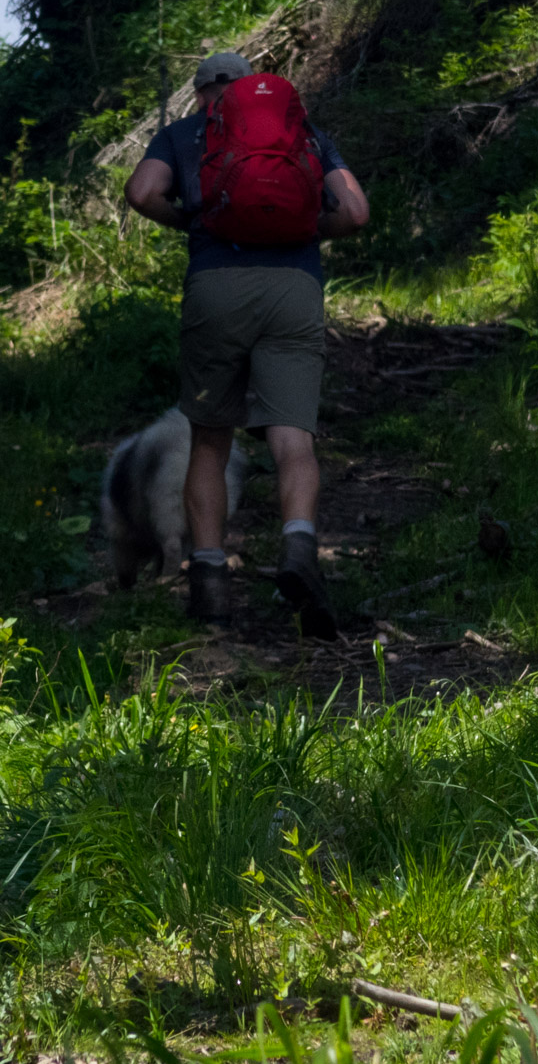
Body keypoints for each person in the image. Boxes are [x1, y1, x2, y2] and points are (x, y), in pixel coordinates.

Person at [123, 52, 370, 637]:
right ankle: (299, 549)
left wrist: (190, 222)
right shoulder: (303, 133)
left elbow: (140, 194)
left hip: (217, 288)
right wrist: (311, 230)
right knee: (294, 438)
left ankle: (209, 583)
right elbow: (356, 212)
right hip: (294, 288)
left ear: (202, 90)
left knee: (209, 439)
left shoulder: (183, 133)